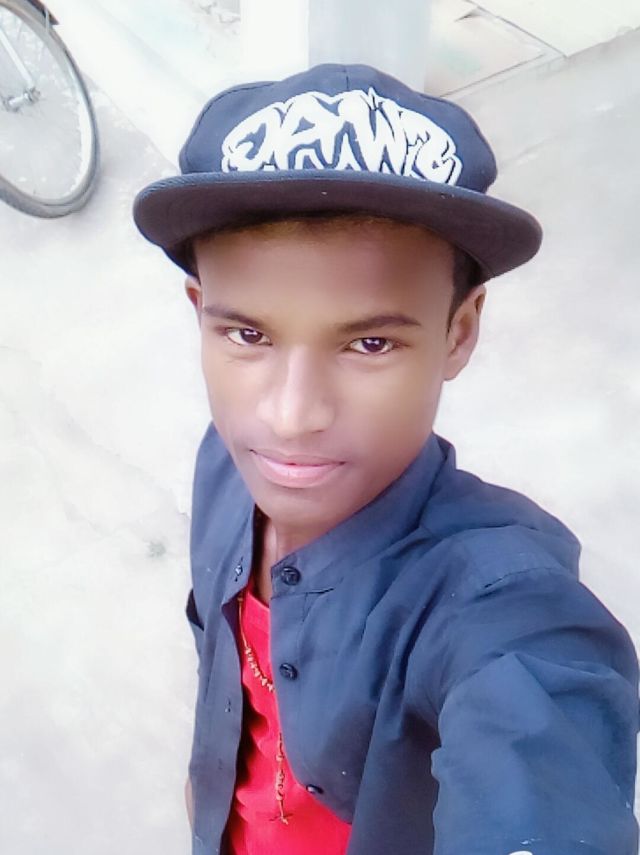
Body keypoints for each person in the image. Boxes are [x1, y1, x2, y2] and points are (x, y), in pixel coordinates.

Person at [133, 64, 639, 855]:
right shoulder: (226, 465)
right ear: (201, 315)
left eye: (370, 342)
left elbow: (540, 757)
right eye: (249, 335)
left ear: (459, 332)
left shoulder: (498, 604)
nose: (291, 416)